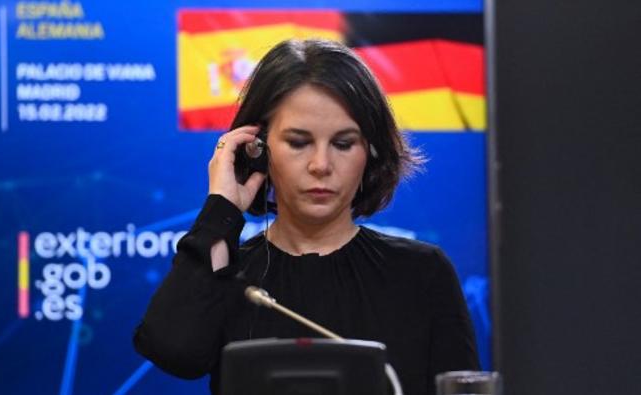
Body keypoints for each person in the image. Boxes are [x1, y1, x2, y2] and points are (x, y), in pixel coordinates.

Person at [133, 38, 479, 395]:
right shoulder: (230, 282)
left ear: (371, 153)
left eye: (343, 144)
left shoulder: (421, 273)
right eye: (299, 142)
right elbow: (172, 352)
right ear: (258, 149)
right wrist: (221, 209)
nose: (321, 165)